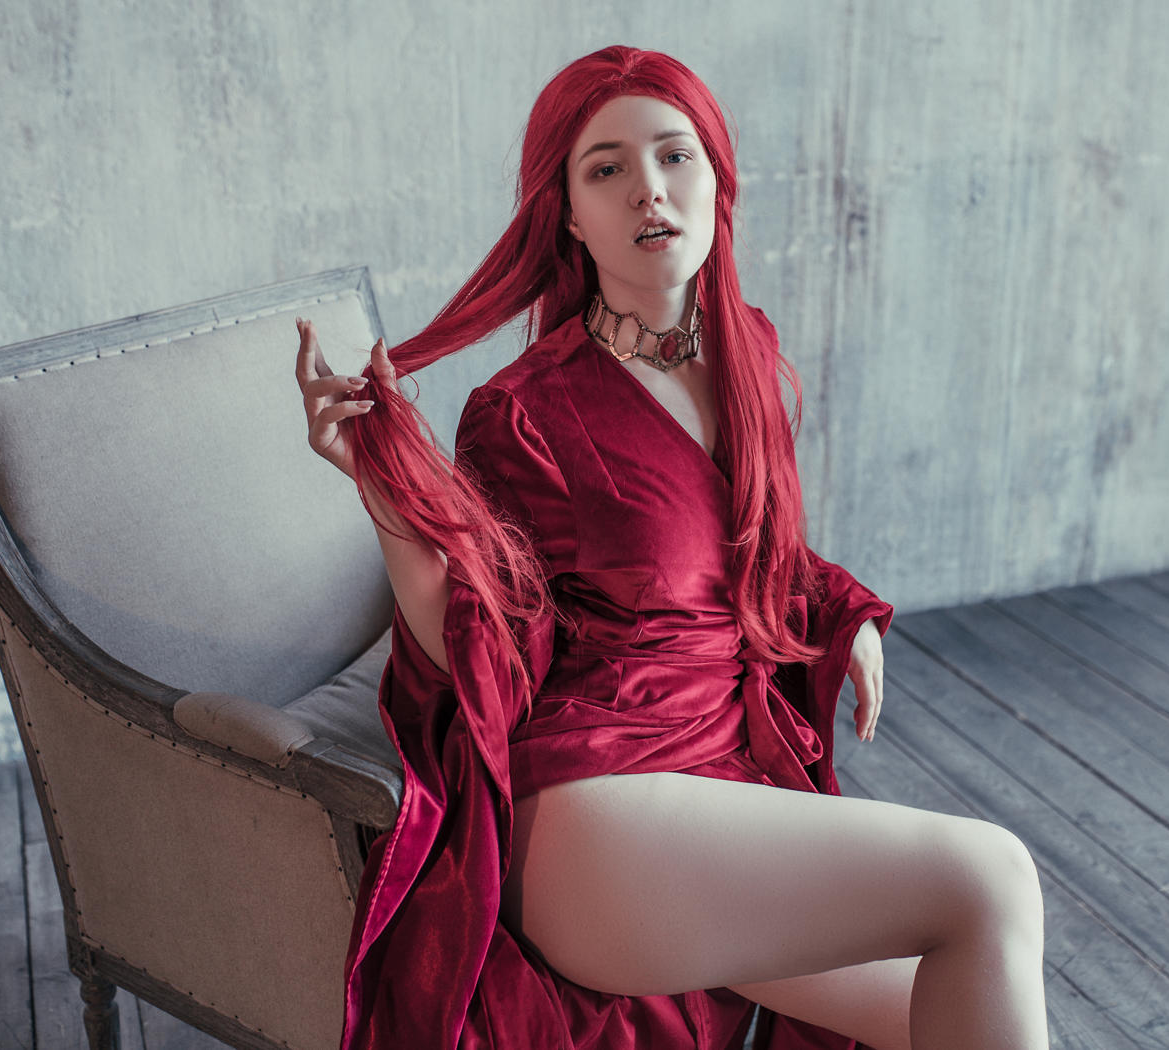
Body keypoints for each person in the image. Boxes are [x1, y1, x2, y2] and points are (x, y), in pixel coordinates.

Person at [294, 46, 1048, 1050]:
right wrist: (382, 488)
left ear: (716, 178)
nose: (648, 187)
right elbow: (479, 641)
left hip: (722, 794)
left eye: (673, 155)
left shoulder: (749, 355)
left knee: (949, 1005)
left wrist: (844, 614)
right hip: (597, 817)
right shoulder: (523, 410)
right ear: (569, 215)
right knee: (991, 877)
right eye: (605, 168)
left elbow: (759, 552)